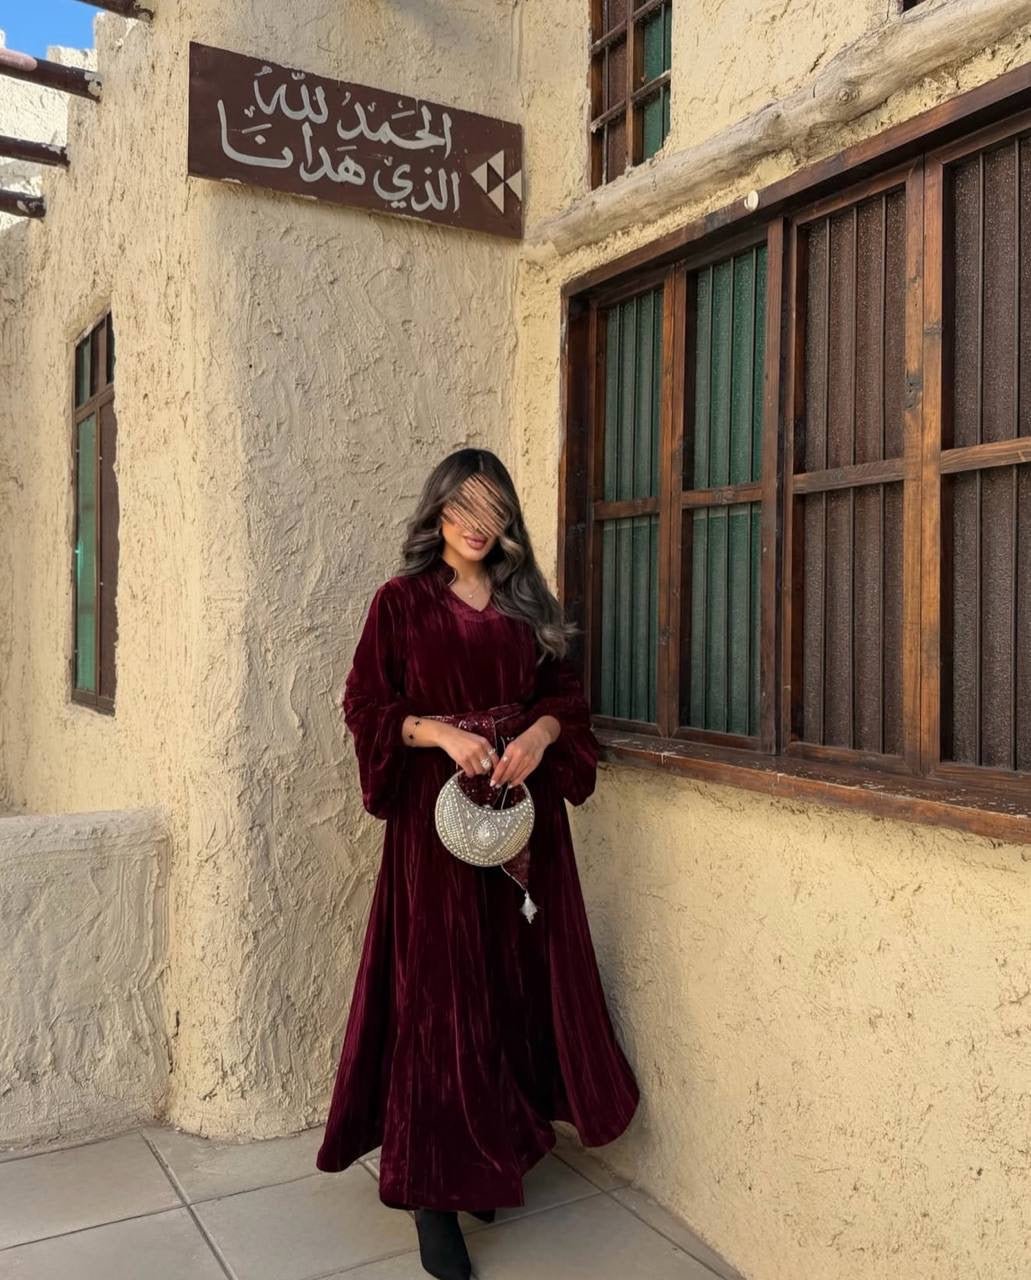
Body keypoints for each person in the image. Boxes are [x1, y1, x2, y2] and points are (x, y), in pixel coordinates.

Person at [315, 447, 639, 1280]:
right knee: (439, 1000)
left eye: (490, 508)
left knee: (511, 984)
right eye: (460, 506)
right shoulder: (400, 602)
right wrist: (438, 732)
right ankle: (433, 1194)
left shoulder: (529, 605)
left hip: (522, 825)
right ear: (437, 512)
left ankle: (493, 1151)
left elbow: (564, 701)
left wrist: (538, 736)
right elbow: (364, 703)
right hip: (435, 829)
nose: (474, 523)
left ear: (506, 519)